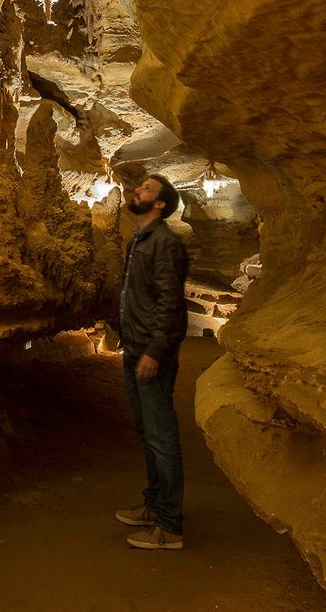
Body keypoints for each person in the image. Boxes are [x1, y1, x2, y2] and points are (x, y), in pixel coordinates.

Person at [115, 172, 189, 550]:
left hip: (150, 353)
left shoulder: (165, 243)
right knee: (148, 433)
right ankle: (154, 504)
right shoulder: (139, 239)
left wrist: (155, 351)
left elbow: (171, 304)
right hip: (134, 347)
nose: (137, 190)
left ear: (160, 204)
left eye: (146, 189)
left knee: (162, 438)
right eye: (139, 186)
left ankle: (169, 526)